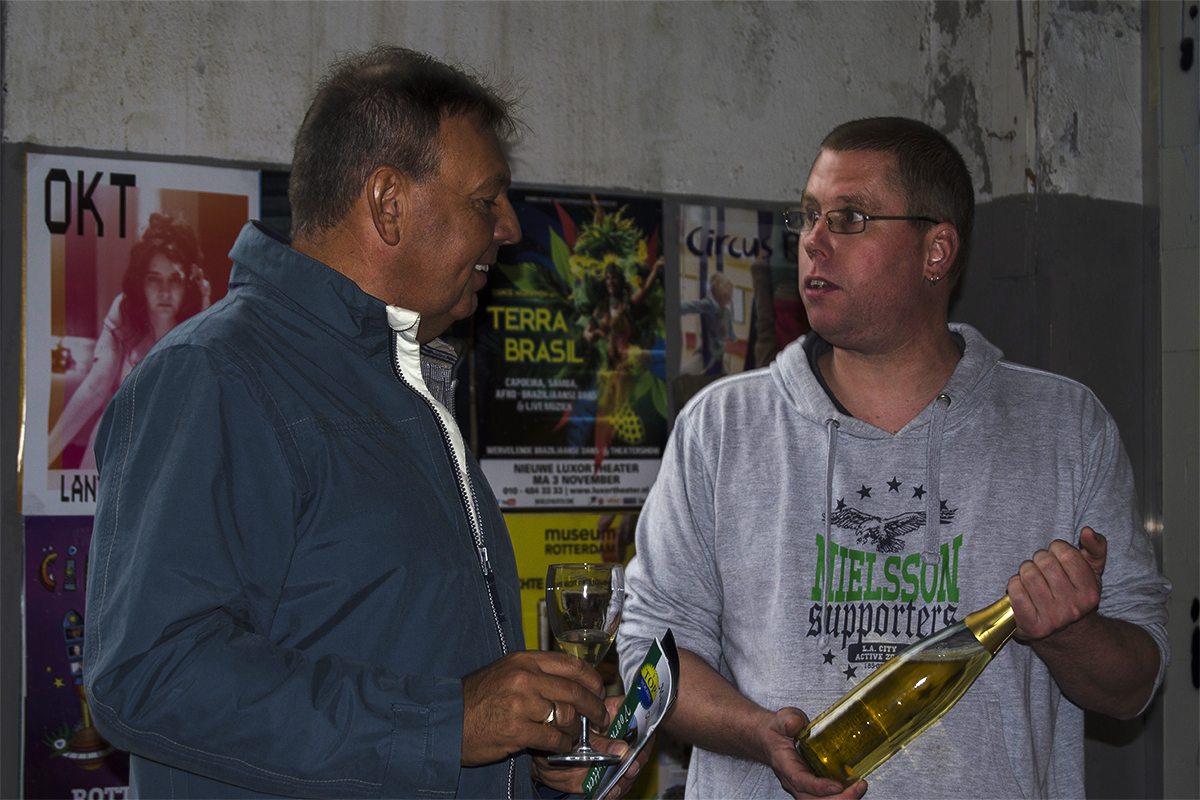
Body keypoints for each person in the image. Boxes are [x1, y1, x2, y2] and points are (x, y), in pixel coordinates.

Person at [84, 47, 647, 799]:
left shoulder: (406, 387)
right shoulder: (215, 375)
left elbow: (417, 679)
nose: (510, 227)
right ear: (388, 203)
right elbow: (147, 675)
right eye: (486, 200)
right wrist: (447, 722)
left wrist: (529, 758)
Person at [617, 117, 1170, 799]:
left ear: (937, 251)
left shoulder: (1065, 426)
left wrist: (1070, 634)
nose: (812, 241)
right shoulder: (721, 426)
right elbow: (651, 650)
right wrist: (760, 734)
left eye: (849, 219)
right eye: (809, 215)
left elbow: (1135, 685)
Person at [48, 212, 210, 470]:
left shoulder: (203, 321)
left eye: (175, 279)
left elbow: (202, 406)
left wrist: (205, 313)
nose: (164, 291)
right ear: (141, 282)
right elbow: (95, 387)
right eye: (154, 279)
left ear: (189, 283)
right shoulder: (125, 310)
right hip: (117, 441)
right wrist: (43, 455)